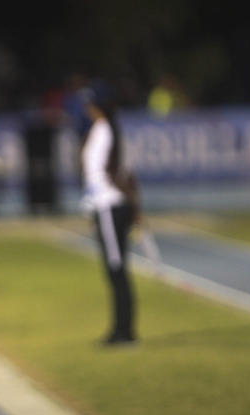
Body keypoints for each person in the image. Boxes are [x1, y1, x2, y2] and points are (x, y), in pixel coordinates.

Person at [78, 82, 138, 346]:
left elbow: (115, 173)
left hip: (110, 207)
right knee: (115, 271)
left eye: (90, 103)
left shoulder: (104, 130)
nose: (86, 108)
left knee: (116, 270)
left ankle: (124, 332)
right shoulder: (106, 130)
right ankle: (121, 330)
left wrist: (127, 202)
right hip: (106, 206)